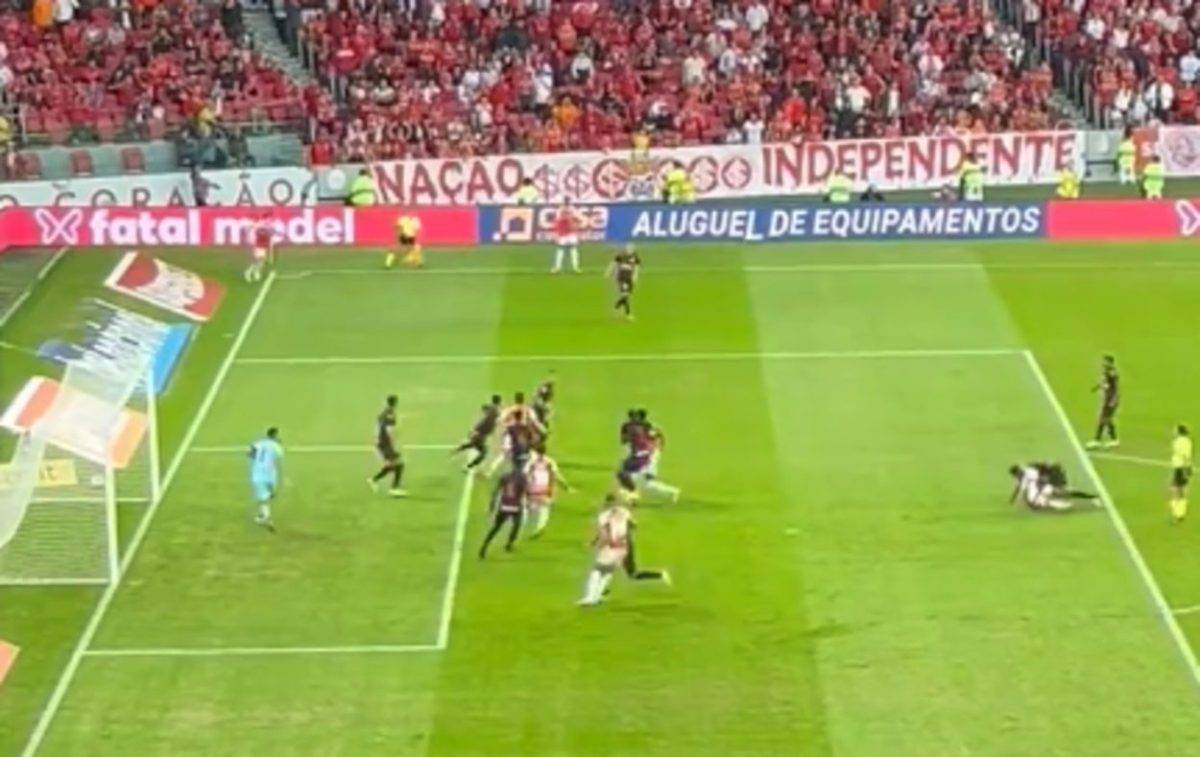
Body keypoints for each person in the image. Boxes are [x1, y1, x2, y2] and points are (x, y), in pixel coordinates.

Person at [577, 493, 670, 606]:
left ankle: (591, 598)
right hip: (624, 547)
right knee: (609, 571)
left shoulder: (604, 516)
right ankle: (597, 597)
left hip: (611, 546)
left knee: (597, 570)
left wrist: (597, 544)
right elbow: (634, 524)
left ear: (606, 502)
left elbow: (604, 534)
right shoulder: (624, 512)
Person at [1007, 462, 1097, 511]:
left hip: (1043, 488)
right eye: (1017, 473)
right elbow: (1019, 489)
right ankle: (1059, 504)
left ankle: (1090, 497)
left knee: (1064, 493)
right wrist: (1013, 499)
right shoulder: (1020, 479)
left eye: (1019, 471)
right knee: (1046, 503)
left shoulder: (1030, 471)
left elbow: (1041, 478)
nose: (1019, 473)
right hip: (1037, 493)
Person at [524, 443, 570, 537]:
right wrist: (565, 486)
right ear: (545, 451)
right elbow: (556, 475)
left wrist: (525, 488)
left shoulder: (531, 462)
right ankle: (540, 527)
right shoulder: (549, 462)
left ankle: (526, 524)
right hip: (545, 488)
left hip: (533, 488)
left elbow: (525, 475)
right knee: (544, 510)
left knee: (531, 508)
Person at [479, 469, 526, 557]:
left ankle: (484, 546)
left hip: (504, 505)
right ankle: (509, 544)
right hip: (515, 506)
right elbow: (523, 492)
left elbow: (496, 491)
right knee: (517, 524)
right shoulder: (522, 477)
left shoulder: (505, 476)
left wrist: (492, 505)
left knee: (496, 527)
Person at [368, 395, 407, 497]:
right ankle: (394, 488)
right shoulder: (390, 414)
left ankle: (374, 480)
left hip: (381, 442)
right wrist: (394, 445)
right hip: (385, 444)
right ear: (396, 403)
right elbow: (389, 431)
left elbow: (377, 428)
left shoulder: (383, 413)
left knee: (394, 464)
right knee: (399, 464)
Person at [452, 395, 502, 471]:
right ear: (499, 402)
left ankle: (457, 449)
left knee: (473, 445)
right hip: (481, 434)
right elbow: (495, 419)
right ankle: (467, 466)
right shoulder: (496, 411)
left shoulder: (491, 409)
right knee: (483, 452)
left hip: (477, 431)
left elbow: (484, 407)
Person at [247, 428, 283, 531]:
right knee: (267, 497)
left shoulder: (258, 443)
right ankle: (264, 517)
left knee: (263, 499)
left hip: (258, 474)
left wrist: (258, 459)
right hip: (270, 474)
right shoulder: (277, 446)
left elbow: (250, 453)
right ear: (274, 435)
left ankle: (264, 517)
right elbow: (278, 459)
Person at [1086, 355, 1120, 449]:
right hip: (1107, 399)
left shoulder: (1112, 373)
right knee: (1107, 419)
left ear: (1110, 363)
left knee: (1104, 419)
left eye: (1105, 361)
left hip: (1110, 400)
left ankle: (1097, 440)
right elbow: (1105, 383)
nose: (1103, 363)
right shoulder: (1106, 371)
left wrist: (1113, 400)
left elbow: (1116, 388)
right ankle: (1113, 440)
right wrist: (1097, 387)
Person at [607, 243, 640, 320]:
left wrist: (635, 276)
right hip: (622, 278)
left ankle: (617, 305)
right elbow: (613, 264)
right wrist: (608, 272)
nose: (630, 250)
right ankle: (628, 314)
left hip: (629, 278)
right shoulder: (621, 256)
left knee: (627, 296)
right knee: (624, 295)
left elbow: (637, 267)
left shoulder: (635, 257)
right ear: (626, 249)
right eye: (628, 249)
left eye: (631, 249)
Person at [1170, 425, 1193, 523]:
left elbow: (1184, 455)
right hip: (1184, 467)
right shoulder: (1188, 441)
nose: (1173, 431)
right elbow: (1187, 455)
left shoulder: (1178, 441)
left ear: (1179, 431)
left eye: (1175, 430)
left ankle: (1178, 514)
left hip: (1180, 468)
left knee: (1176, 491)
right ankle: (1181, 512)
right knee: (1182, 490)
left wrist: (1185, 467)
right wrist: (1188, 467)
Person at [551, 198, 581, 273]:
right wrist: (556, 234)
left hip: (571, 233)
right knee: (561, 250)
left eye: (567, 201)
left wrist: (575, 227)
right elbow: (557, 222)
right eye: (566, 201)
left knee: (573, 250)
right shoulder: (560, 209)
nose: (566, 202)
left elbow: (578, 220)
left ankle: (575, 267)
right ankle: (558, 267)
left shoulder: (572, 209)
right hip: (563, 233)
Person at [245, 214, 273, 283]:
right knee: (257, 260)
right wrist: (250, 238)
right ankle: (249, 272)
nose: (270, 220)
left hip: (264, 245)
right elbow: (250, 228)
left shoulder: (268, 226)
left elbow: (269, 235)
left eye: (270, 219)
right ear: (265, 219)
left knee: (262, 262)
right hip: (258, 245)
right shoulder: (260, 225)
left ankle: (256, 272)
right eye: (269, 219)